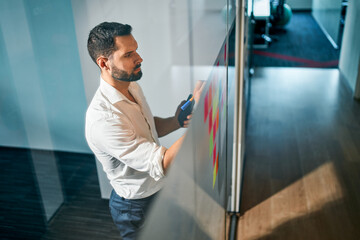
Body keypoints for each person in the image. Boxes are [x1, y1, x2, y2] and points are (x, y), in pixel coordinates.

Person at [85, 22, 203, 240]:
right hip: (134, 207)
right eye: (129, 54)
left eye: (136, 50)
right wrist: (203, 121)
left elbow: (147, 128)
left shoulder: (130, 85)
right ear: (104, 63)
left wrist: (177, 121)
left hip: (159, 189)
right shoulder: (103, 120)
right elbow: (162, 162)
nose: (139, 58)